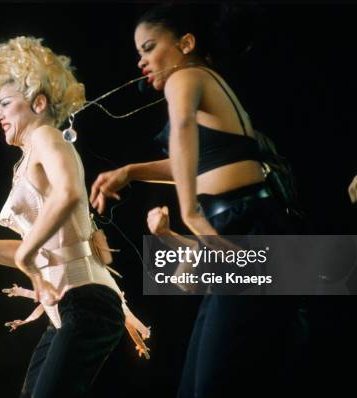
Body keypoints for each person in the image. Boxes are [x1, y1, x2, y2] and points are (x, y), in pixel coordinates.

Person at [0, 36, 149, 398]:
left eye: (5, 104)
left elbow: (69, 192)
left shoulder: (47, 137)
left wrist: (25, 255)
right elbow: (31, 251)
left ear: (38, 103)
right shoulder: (24, 164)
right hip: (68, 308)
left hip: (87, 301)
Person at [90, 5, 302, 398]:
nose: (142, 61)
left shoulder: (184, 78)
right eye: (138, 52)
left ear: (186, 43)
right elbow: (195, 160)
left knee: (213, 383)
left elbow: (183, 129)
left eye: (150, 47)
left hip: (243, 227)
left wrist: (190, 213)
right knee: (198, 385)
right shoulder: (207, 80)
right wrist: (131, 171)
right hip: (249, 224)